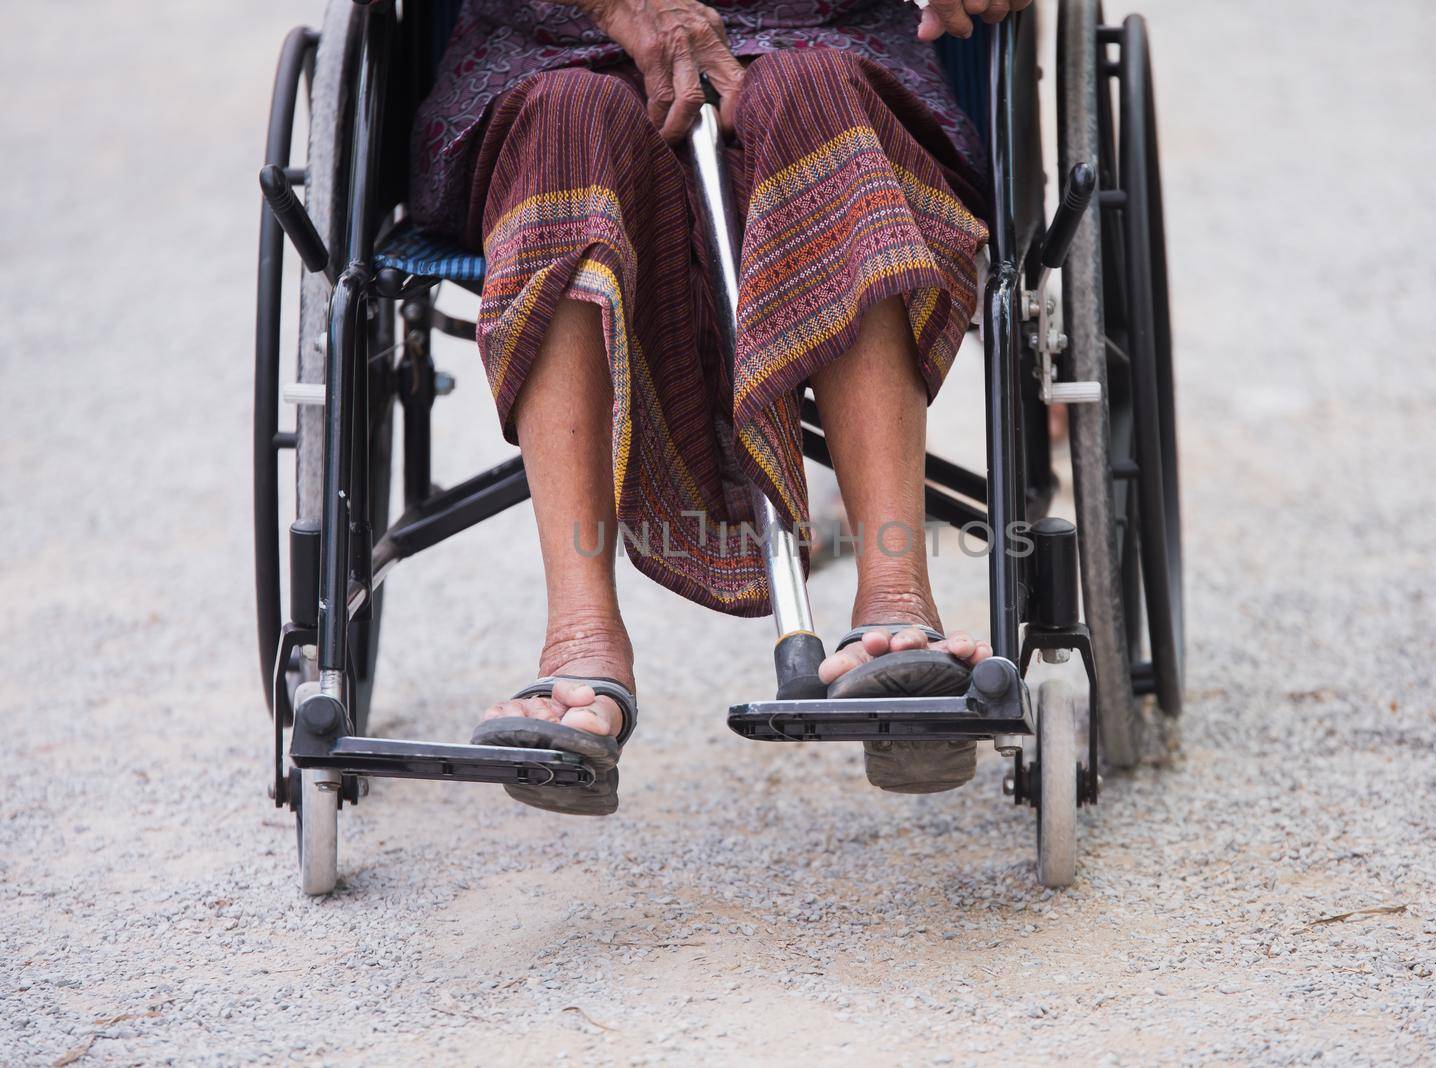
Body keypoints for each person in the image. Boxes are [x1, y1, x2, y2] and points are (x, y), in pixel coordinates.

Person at [409, 0, 1031, 811]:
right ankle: (580, 646)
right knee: (570, 120)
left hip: (823, 31)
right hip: (558, 43)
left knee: (815, 94)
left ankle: (897, 602)